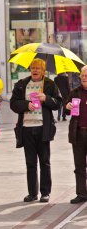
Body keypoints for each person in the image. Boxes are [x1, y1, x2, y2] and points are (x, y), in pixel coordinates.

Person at [10, 58, 61, 203]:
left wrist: (46, 98)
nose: (35, 70)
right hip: (26, 128)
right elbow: (13, 104)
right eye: (33, 67)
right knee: (30, 163)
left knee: (44, 162)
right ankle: (32, 193)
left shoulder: (50, 84)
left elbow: (58, 103)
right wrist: (27, 105)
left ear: (43, 70)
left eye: (38, 68)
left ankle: (45, 192)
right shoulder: (22, 84)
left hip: (43, 128)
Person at [65, 66, 87, 204]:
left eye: (86, 75)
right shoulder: (74, 92)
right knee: (79, 165)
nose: (84, 77)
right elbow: (67, 110)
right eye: (82, 75)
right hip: (78, 133)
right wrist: (67, 107)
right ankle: (81, 193)